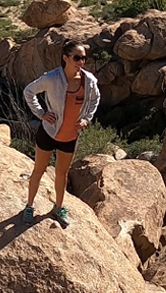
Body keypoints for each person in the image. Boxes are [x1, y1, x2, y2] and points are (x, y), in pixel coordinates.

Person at [21, 39, 100, 227]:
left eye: (83, 58)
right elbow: (29, 91)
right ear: (65, 58)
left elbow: (95, 99)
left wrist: (87, 118)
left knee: (62, 174)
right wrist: (41, 113)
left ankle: (58, 207)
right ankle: (29, 206)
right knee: (39, 171)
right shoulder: (52, 78)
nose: (81, 62)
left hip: (70, 136)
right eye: (77, 58)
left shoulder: (89, 81)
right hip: (49, 133)